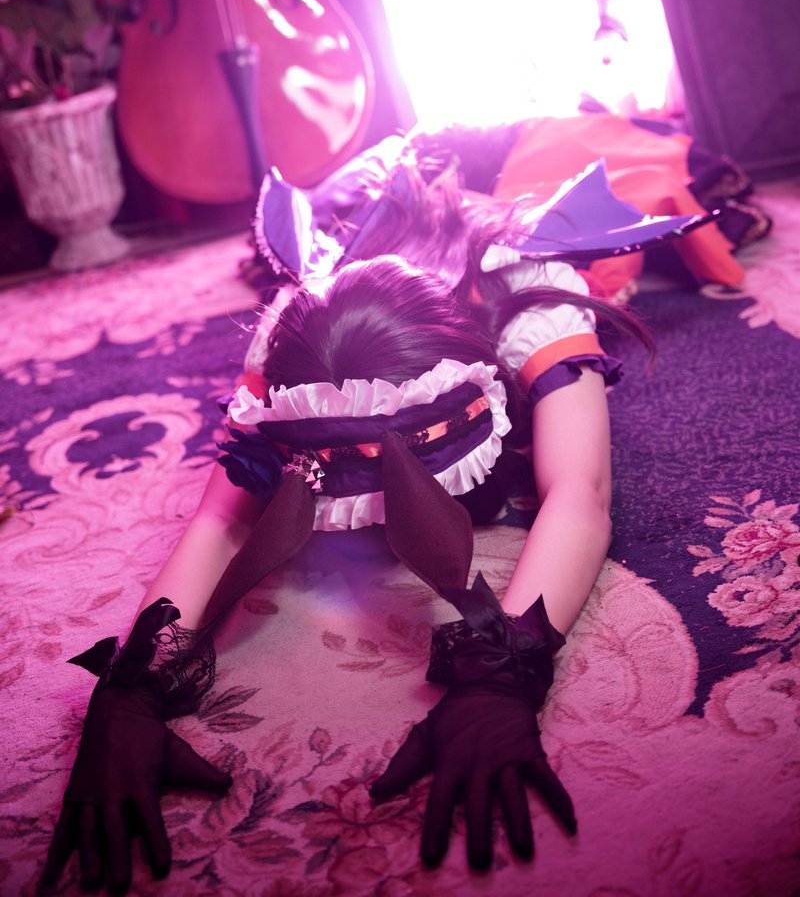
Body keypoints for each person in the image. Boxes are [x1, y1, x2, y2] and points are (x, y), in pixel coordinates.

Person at [42, 129, 704, 895]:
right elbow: (222, 518)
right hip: (363, 217)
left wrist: (502, 678)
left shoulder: (527, 294)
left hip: (479, 220)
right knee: (352, 188)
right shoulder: (289, 338)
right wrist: (129, 689)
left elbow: (579, 495)